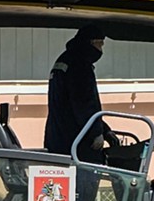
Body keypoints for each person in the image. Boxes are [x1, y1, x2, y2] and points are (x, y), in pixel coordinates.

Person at [43, 28, 115, 160]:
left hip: (59, 136)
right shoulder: (80, 65)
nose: (101, 50)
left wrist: (105, 129)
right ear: (92, 43)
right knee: (86, 177)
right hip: (76, 140)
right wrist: (96, 133)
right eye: (100, 44)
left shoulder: (66, 59)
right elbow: (83, 103)